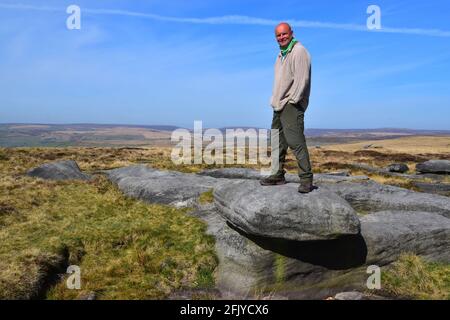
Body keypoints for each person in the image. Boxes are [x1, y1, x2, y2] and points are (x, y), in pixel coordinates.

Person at [260, 22, 314, 193]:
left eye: (284, 34)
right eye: (278, 35)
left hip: (291, 104)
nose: (281, 37)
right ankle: (277, 175)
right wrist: (275, 99)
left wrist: (294, 100)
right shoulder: (280, 55)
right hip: (278, 104)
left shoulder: (299, 51)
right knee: (277, 142)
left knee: (295, 142)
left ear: (291, 33)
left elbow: (302, 79)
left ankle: (306, 179)